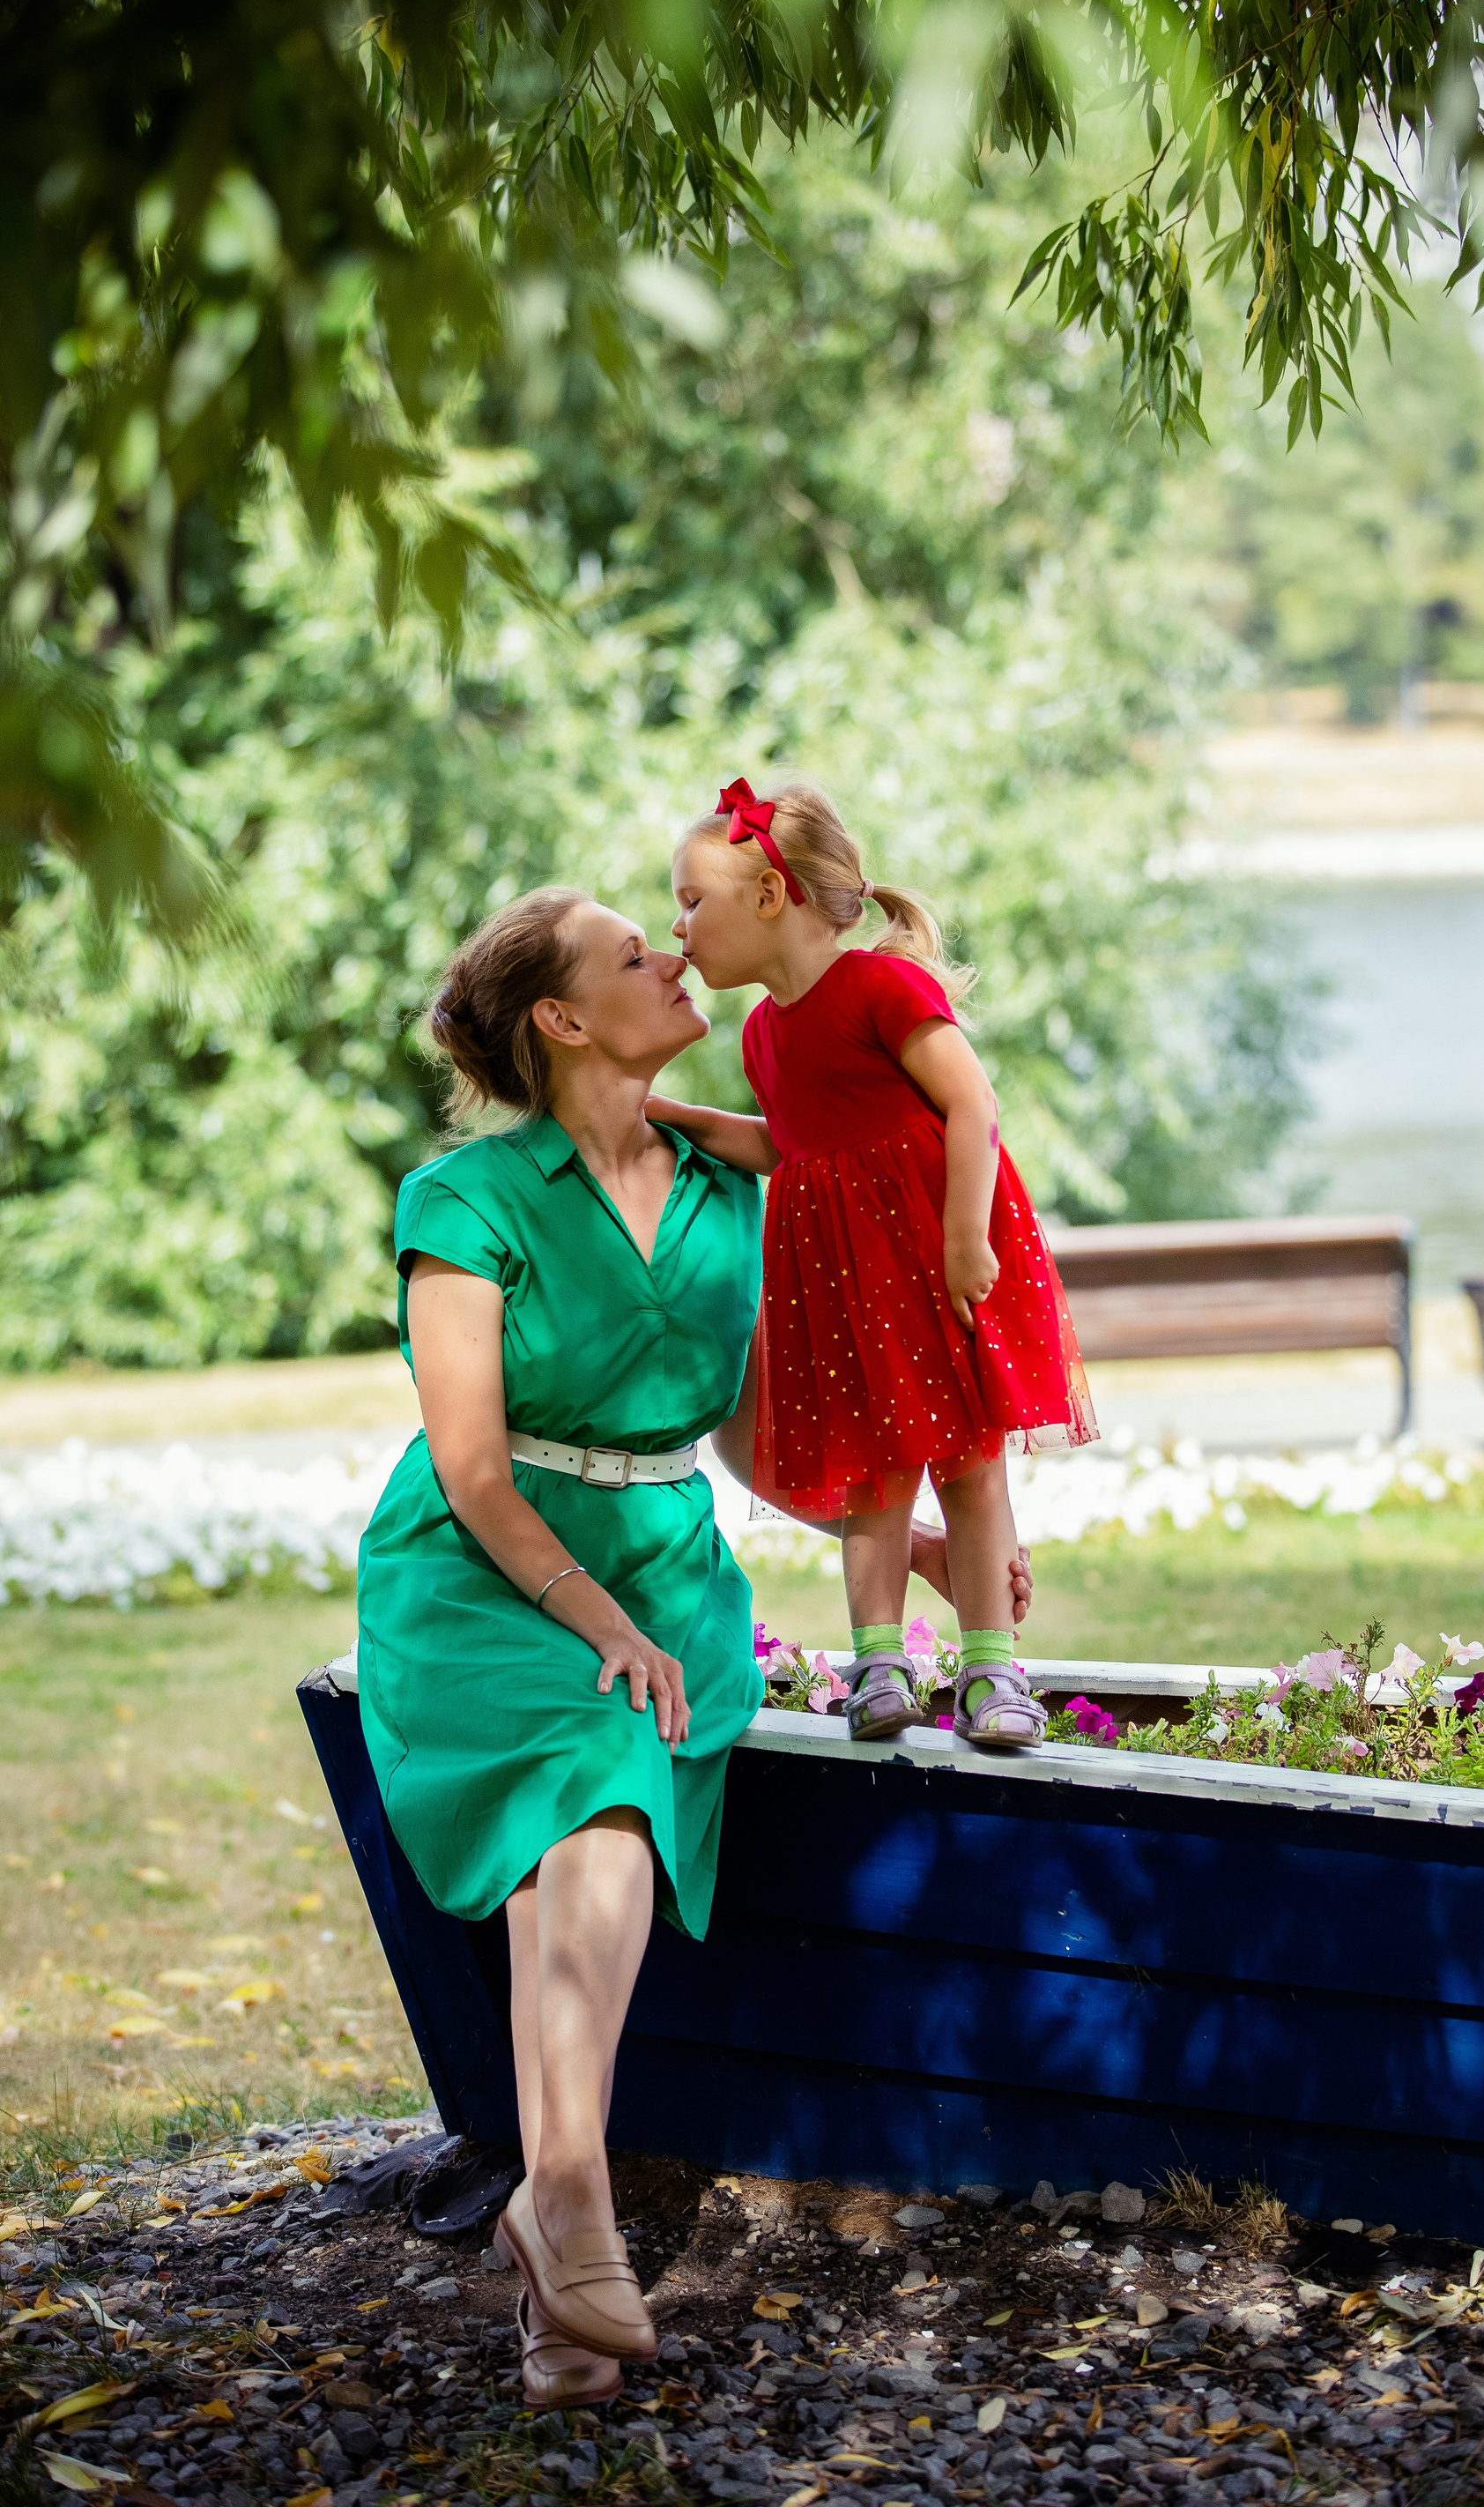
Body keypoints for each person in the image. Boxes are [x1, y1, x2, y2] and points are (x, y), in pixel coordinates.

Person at [355, 883, 1032, 2410]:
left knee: (580, 1847)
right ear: (561, 1019)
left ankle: (557, 2265)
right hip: (485, 1581)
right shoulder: (464, 1200)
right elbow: (472, 1469)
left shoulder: (731, 1188)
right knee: (599, 1776)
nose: (672, 956)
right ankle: (573, 2197)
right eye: (631, 952)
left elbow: (735, 1428)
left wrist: (920, 1548)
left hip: (666, 1582)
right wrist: (596, 1621)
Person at [651, 776, 1094, 1753]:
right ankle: (880, 1664)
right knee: (874, 1482)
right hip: (846, 1289)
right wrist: (679, 1117)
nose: (677, 928)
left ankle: (992, 1669)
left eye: (692, 901)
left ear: (770, 895)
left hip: (934, 1265)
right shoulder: (763, 1033)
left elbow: (972, 1104)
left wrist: (965, 1238)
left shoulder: (881, 989)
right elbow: (790, 1147)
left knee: (970, 1470)